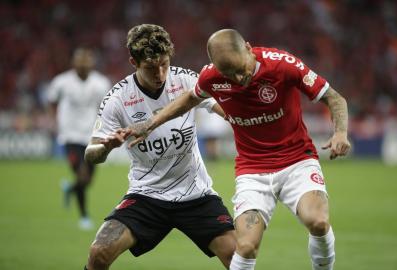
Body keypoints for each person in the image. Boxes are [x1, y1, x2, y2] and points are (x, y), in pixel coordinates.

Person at [124, 29, 351, 270]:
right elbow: (188, 99)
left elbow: (335, 99)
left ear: (249, 48)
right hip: (252, 171)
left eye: (239, 68)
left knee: (317, 221)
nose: (238, 77)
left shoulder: (282, 66)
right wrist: (149, 124)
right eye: (228, 73)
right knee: (245, 246)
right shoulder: (211, 77)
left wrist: (340, 133)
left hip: (296, 161)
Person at [83, 24, 236, 270]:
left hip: (196, 194)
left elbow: (227, 111)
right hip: (147, 196)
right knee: (99, 252)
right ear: (134, 62)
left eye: (164, 63)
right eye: (151, 68)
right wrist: (108, 147)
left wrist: (242, 118)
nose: (161, 74)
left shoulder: (185, 79)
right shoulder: (117, 99)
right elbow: (91, 155)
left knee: (237, 257)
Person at [47, 48, 111, 230]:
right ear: (74, 64)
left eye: (87, 65)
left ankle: (70, 189)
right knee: (82, 175)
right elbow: (52, 101)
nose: (83, 68)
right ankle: (84, 217)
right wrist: (53, 121)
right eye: (80, 65)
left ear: (92, 65)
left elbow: (105, 108)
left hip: (91, 136)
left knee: (87, 181)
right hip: (69, 135)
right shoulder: (62, 82)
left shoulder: (101, 83)